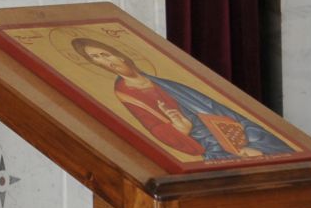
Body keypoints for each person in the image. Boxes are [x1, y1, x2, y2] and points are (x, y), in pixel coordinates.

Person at [71, 38, 295, 162]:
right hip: (209, 142)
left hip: (229, 128)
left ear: (118, 54)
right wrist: (181, 130)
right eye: (96, 59)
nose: (104, 61)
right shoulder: (126, 94)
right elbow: (155, 129)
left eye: (104, 53)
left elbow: (216, 108)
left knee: (267, 143)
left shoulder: (164, 81)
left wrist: (242, 135)